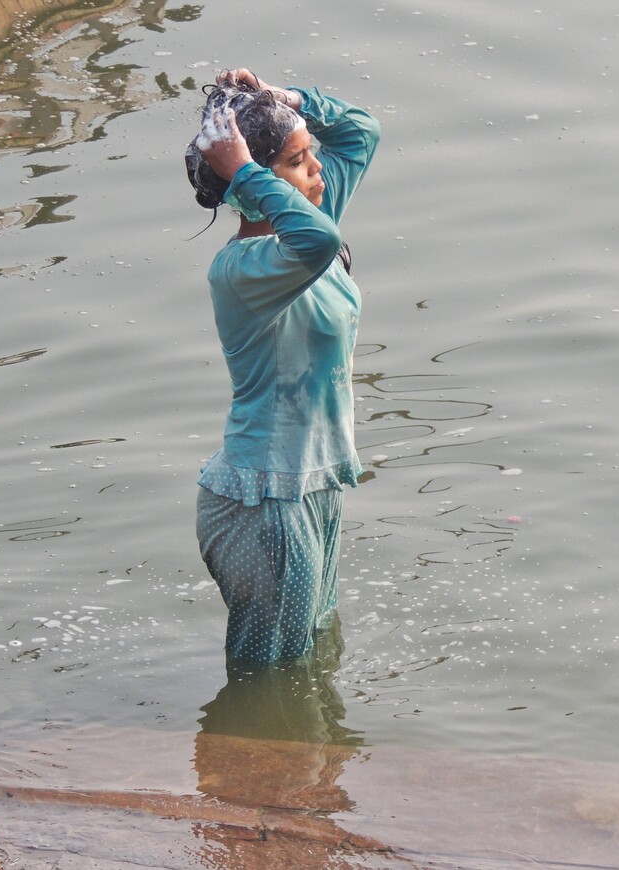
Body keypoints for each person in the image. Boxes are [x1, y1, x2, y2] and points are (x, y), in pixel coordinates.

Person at [185, 68, 380, 664]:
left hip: (313, 487)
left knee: (316, 653)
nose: (318, 170)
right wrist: (241, 169)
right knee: (269, 673)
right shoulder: (243, 270)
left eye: (309, 156)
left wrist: (288, 98)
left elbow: (361, 134)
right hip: (265, 501)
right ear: (250, 183)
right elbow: (318, 242)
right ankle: (245, 758)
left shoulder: (305, 224)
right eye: (298, 161)